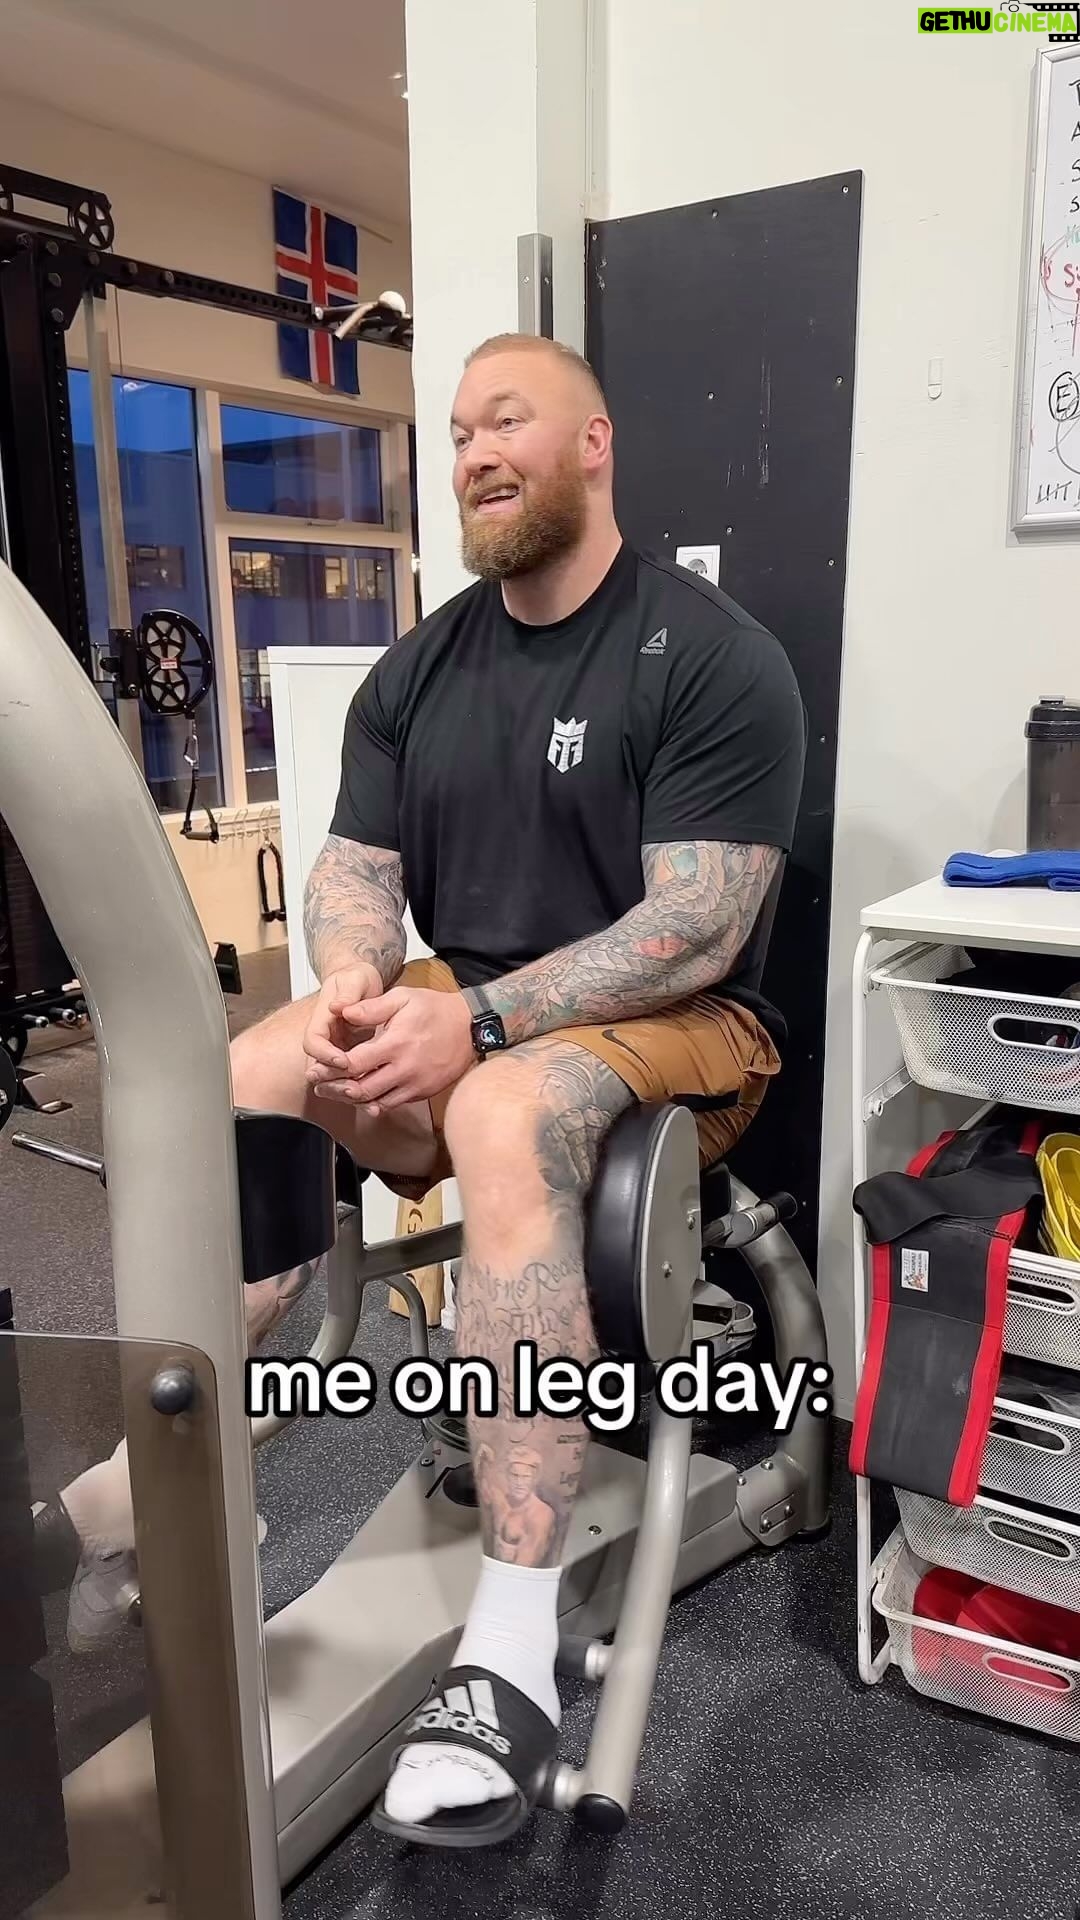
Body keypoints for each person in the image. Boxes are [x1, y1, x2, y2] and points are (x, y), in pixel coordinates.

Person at [40, 332, 805, 1845]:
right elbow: (353, 871)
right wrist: (351, 987)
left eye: (507, 421)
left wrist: (484, 1024)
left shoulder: (711, 655)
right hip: (472, 1003)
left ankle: (508, 1655)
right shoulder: (418, 670)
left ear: (594, 444)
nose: (474, 454)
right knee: (242, 1076)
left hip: (689, 1029)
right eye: (456, 433)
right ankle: (136, 1497)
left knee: (503, 1110)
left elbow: (698, 927)